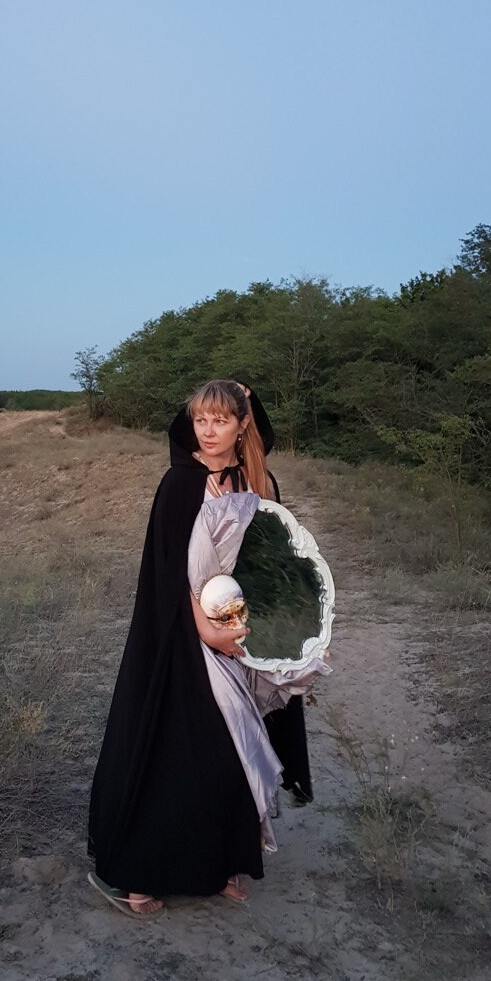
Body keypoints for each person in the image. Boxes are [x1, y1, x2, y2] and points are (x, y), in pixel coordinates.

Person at [87, 379, 319, 917]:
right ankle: (137, 872)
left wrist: (272, 634)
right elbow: (172, 574)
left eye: (220, 420)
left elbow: (272, 565)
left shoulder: (258, 481)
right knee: (178, 752)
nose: (208, 431)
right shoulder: (181, 484)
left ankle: (223, 864)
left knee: (236, 750)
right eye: (200, 420)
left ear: (242, 424)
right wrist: (207, 630)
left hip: (240, 635)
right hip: (182, 639)